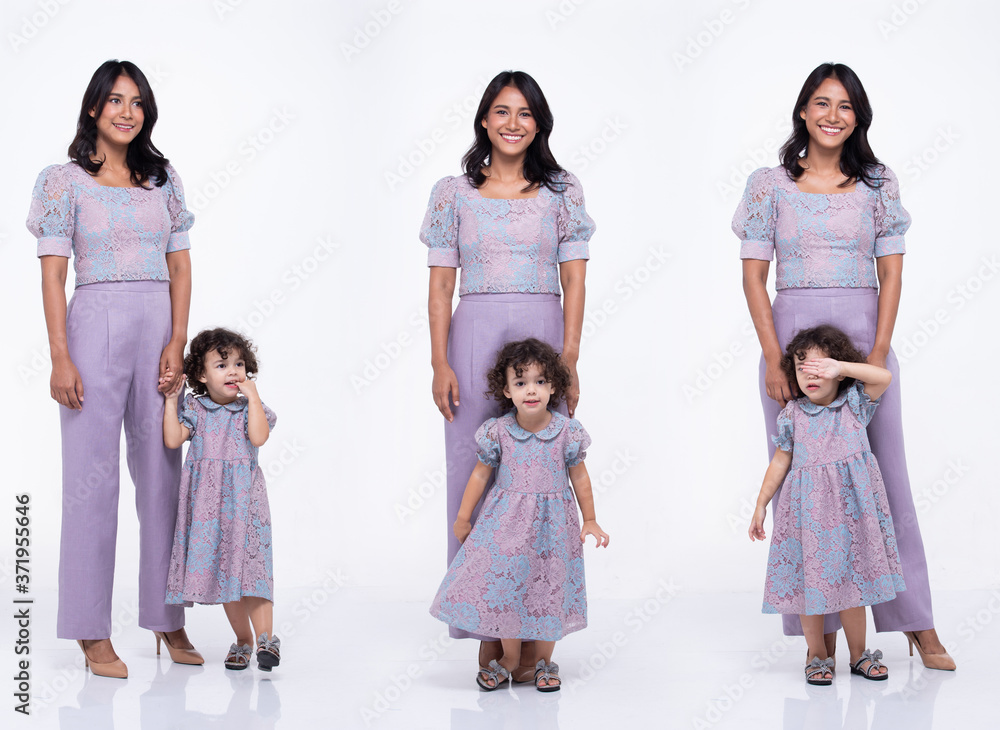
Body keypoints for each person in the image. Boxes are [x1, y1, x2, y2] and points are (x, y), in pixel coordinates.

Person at [733, 62, 954, 671]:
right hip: (792, 352)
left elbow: (892, 274)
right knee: (807, 490)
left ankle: (916, 623)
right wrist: (776, 357)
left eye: (846, 106)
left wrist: (877, 355)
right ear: (802, 111)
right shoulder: (768, 185)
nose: (833, 115)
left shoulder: (878, 184)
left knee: (888, 485)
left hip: (863, 346)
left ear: (859, 118)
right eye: (822, 103)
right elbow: (753, 277)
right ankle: (821, 635)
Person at [28, 60, 200, 678]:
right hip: (92, 326)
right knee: (91, 484)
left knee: (163, 479)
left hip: (157, 328)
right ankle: (89, 630)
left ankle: (166, 617)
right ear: (94, 109)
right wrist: (59, 356)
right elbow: (53, 274)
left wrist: (177, 341)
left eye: (137, 102)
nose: (127, 112)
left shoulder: (163, 181)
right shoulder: (63, 182)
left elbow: (180, 267)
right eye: (115, 101)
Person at [421, 70, 595, 677]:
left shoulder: (561, 192)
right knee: (477, 474)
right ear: (484, 120)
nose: (512, 123)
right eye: (501, 111)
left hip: (544, 335)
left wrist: (569, 358)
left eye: (524, 113)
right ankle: (486, 628)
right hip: (473, 336)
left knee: (542, 475)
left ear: (539, 123)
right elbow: (441, 285)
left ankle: (537, 622)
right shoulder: (454, 193)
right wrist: (441, 360)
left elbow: (574, 280)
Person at [429, 339, 609, 691]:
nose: (531, 391)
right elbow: (480, 474)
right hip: (507, 526)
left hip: (553, 528)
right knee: (507, 590)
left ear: (554, 386)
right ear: (507, 390)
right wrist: (464, 517)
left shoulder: (566, 432)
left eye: (540, 382)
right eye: (521, 382)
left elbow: (580, 477)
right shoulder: (499, 432)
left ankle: (542, 661)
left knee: (549, 591)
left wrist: (590, 518)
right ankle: (509, 658)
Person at [749, 325, 904, 684]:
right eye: (802, 367)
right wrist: (760, 505)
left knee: (853, 587)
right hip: (809, 515)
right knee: (810, 587)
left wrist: (843, 368)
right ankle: (817, 655)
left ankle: (859, 655)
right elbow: (779, 462)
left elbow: (883, 377)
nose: (811, 374)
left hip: (853, 515)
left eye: (820, 367)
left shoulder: (854, 405)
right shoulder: (793, 416)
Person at [163, 328, 280, 672]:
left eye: (239, 364)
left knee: (254, 573)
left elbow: (259, 437)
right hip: (208, 510)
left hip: (246, 506)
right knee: (229, 577)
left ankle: (266, 641)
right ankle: (243, 640)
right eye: (222, 365)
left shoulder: (248, 410)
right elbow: (172, 439)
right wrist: (172, 400)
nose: (233, 372)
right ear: (201, 375)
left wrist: (254, 397)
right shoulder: (196, 410)